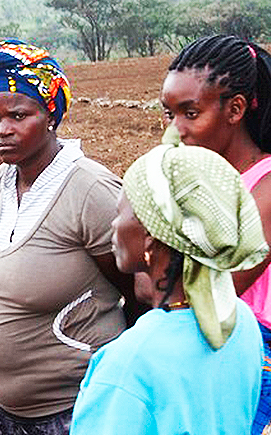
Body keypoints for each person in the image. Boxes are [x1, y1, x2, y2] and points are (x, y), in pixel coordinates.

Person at [0, 40, 134, 434]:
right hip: (9, 413)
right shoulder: (2, 182)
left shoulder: (90, 191)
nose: (2, 130)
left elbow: (137, 291)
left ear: (51, 115)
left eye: (19, 115)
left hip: (77, 410)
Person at [71, 144, 267, 434]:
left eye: (121, 212)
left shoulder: (128, 364)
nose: (113, 224)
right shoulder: (239, 319)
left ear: (150, 238)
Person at [159, 35, 271, 433]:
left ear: (235, 108)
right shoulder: (206, 180)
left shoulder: (265, 187)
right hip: (214, 346)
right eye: (170, 115)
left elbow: (216, 290)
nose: (178, 130)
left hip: (254, 355)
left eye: (190, 113)